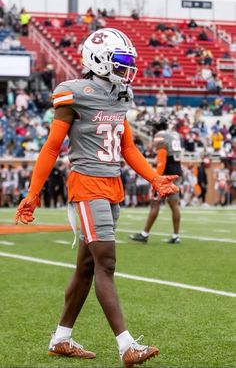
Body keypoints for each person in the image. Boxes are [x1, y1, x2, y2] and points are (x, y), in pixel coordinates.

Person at [15, 28, 178, 368]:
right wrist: (32, 194)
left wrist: (154, 178)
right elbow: (51, 147)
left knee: (88, 267)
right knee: (107, 263)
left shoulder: (120, 95)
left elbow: (127, 147)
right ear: (99, 60)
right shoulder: (74, 93)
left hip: (111, 185)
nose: (126, 70)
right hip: (86, 185)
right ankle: (126, 346)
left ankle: (60, 338)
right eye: (120, 63)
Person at [129, 115, 182, 244]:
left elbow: (161, 161)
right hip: (176, 171)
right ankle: (176, 236)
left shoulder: (161, 136)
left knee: (155, 203)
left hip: (165, 174)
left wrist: (156, 178)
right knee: (174, 204)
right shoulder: (174, 134)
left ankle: (144, 234)